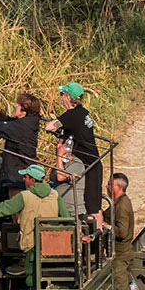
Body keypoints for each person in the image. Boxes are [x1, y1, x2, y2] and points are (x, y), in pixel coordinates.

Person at [89, 173, 135, 290]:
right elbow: (109, 216)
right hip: (121, 254)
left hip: (120, 255)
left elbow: (121, 232)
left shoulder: (122, 205)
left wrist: (104, 225)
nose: (107, 187)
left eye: (109, 184)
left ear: (117, 187)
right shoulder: (119, 203)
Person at [46, 82, 102, 214]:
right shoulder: (83, 112)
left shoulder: (71, 115)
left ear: (68, 97)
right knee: (94, 203)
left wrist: (50, 124)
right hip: (93, 161)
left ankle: (94, 231)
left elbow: (50, 127)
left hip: (88, 164)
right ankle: (97, 230)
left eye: (62, 94)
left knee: (92, 207)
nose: (62, 97)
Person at [0, 92, 40, 194]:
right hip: (20, 174)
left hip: (17, 178)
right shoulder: (29, 122)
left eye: (18, 105)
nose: (15, 106)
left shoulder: (21, 127)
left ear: (24, 112)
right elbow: (10, 122)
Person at [51, 132, 85, 218]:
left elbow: (60, 177)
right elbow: (52, 177)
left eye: (60, 144)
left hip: (74, 213)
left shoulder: (77, 164)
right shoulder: (61, 163)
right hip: (61, 212)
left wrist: (59, 155)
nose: (56, 147)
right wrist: (59, 160)